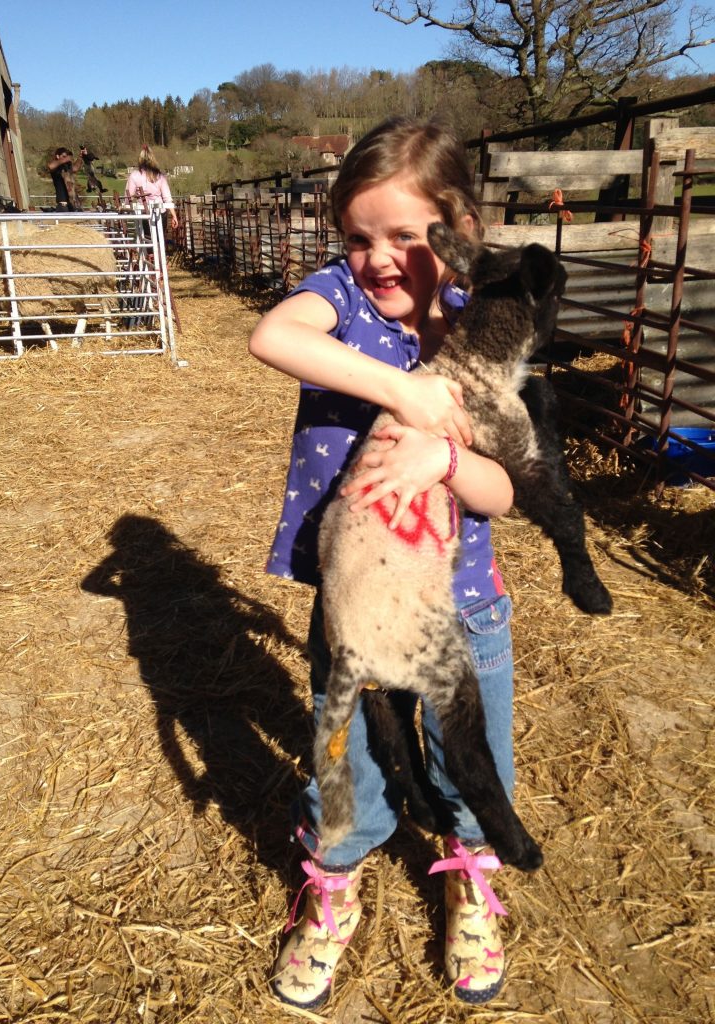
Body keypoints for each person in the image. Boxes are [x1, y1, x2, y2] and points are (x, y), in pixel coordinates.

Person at [248, 116, 521, 1011]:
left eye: (405, 236)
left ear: (460, 230)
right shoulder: (338, 302)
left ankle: (469, 878)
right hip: (355, 603)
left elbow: (504, 492)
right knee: (348, 754)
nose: (378, 258)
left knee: (467, 753)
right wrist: (403, 388)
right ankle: (334, 884)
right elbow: (273, 338)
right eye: (359, 237)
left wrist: (445, 458)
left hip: (462, 603)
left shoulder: (485, 334)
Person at [124, 144, 178, 240]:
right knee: (159, 239)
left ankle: (150, 253)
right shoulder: (160, 176)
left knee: (146, 239)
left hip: (144, 212)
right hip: (160, 213)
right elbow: (167, 198)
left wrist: (125, 210)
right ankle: (158, 253)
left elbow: (129, 197)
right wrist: (174, 216)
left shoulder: (134, 175)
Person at [47, 147, 83, 212]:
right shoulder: (56, 168)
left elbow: (75, 168)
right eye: (63, 156)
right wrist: (66, 159)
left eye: (66, 157)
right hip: (63, 205)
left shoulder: (67, 167)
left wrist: (80, 156)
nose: (66, 158)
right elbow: (50, 166)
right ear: (57, 156)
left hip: (72, 203)